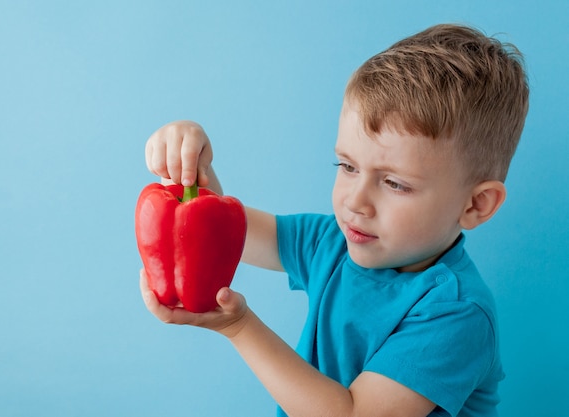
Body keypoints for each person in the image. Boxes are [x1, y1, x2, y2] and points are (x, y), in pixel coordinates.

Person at [139, 23, 529, 417]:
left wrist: (239, 327)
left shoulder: (457, 313)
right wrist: (192, 165)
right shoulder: (333, 241)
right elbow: (227, 233)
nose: (356, 202)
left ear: (476, 205)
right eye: (347, 166)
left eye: (394, 183)